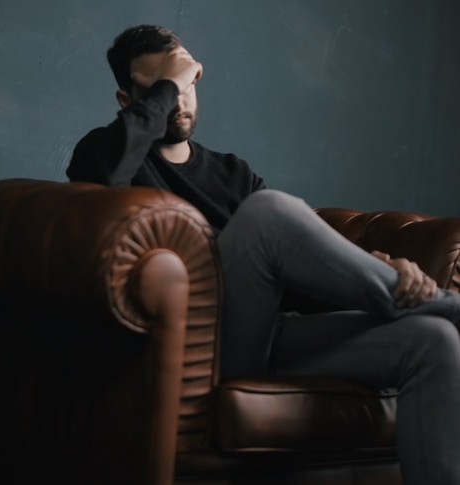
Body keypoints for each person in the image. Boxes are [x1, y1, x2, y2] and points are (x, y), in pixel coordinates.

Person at [66, 24, 460, 484]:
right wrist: (171, 84)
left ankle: (423, 305)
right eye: (161, 86)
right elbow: (99, 176)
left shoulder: (234, 173)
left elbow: (290, 275)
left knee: (435, 342)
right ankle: (440, 303)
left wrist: (373, 268)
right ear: (128, 100)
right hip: (201, 349)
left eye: (187, 81)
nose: (179, 98)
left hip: (267, 337)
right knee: (268, 212)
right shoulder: (107, 154)